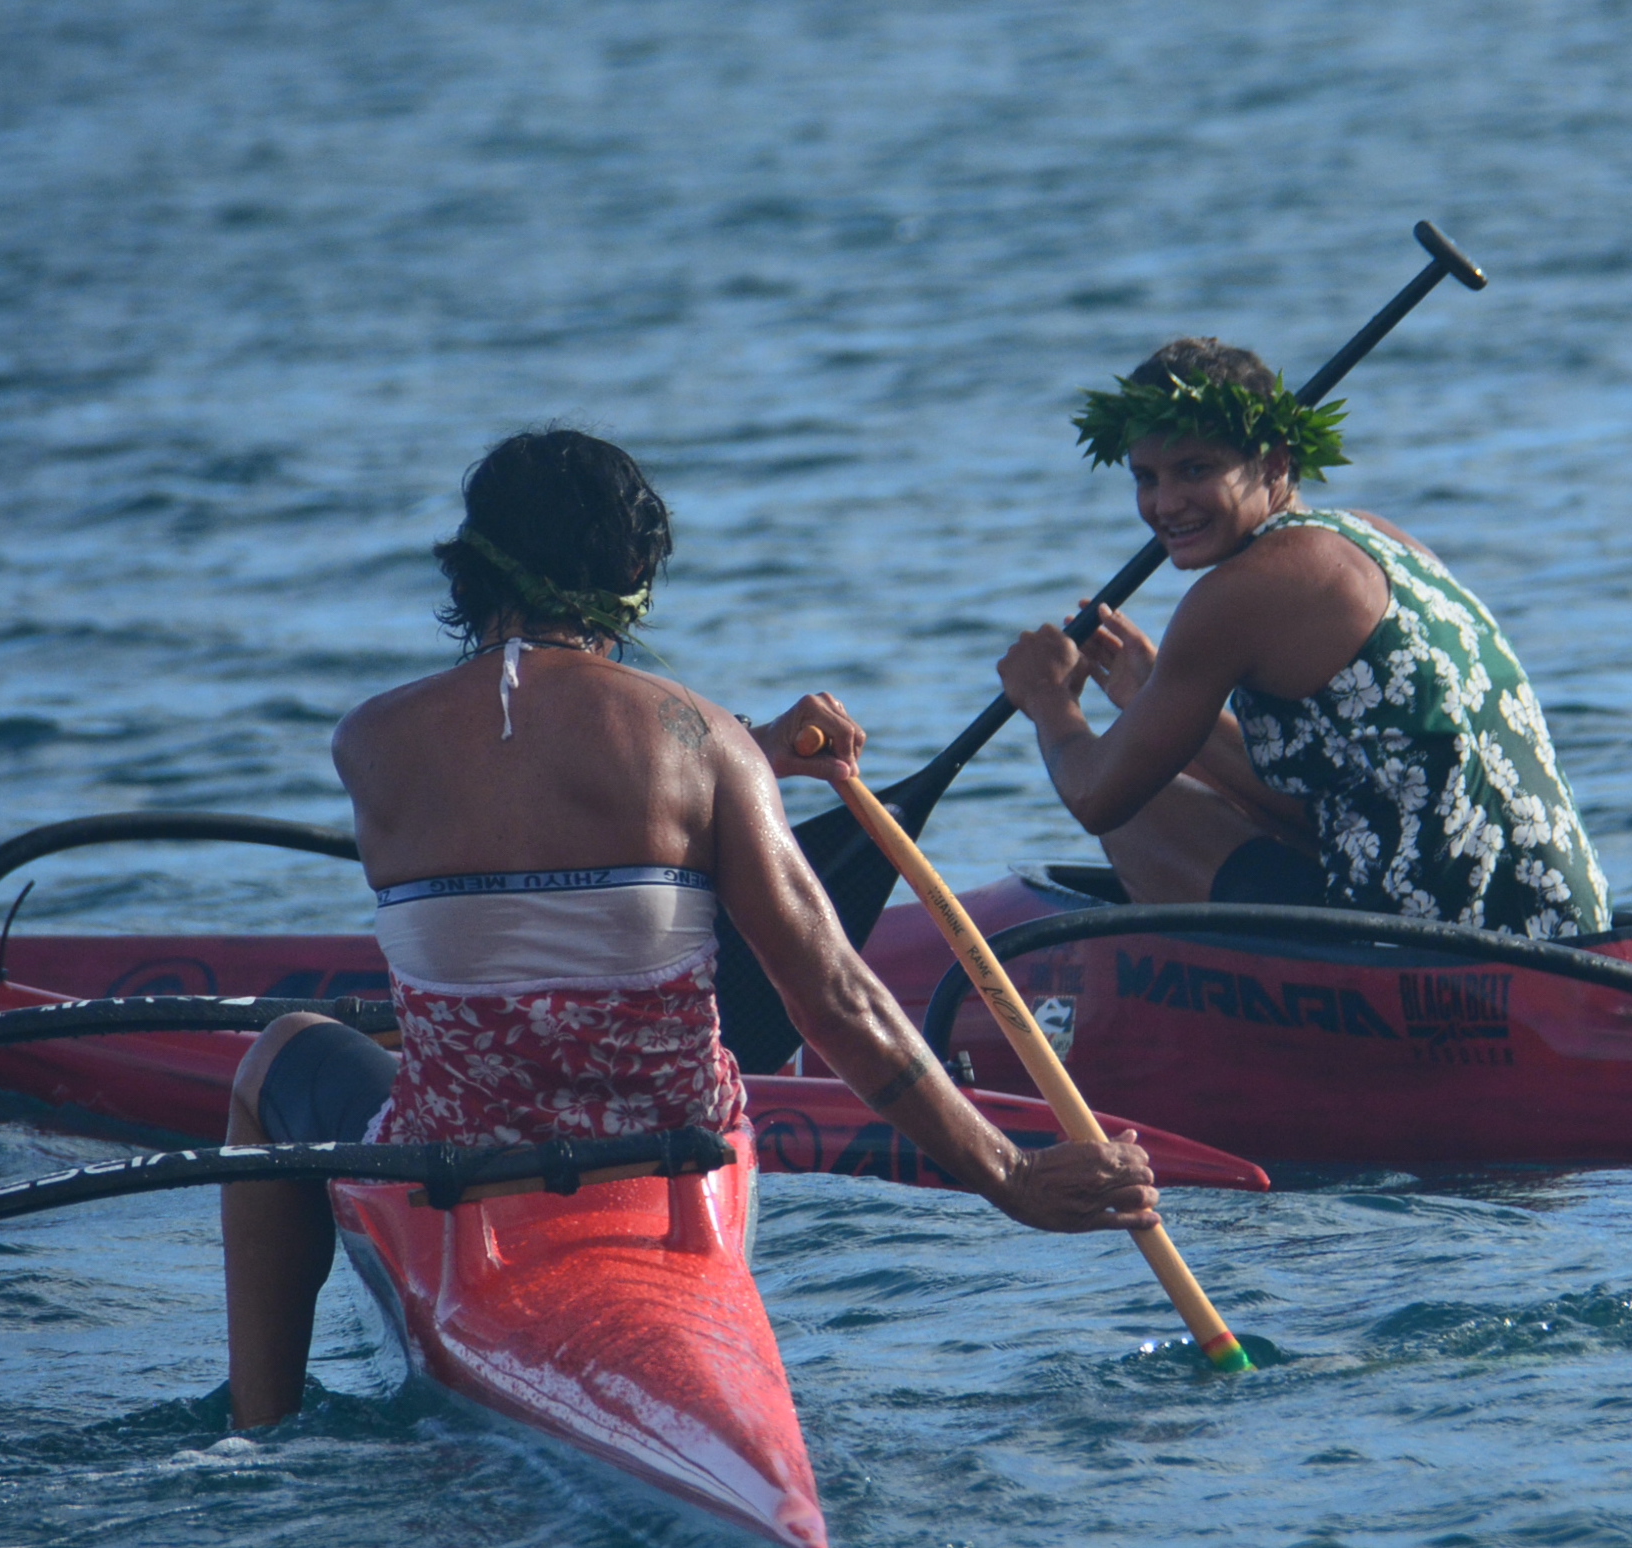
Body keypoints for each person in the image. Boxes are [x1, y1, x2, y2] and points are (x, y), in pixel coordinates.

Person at [222, 428, 1158, 1429]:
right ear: (633, 571)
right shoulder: (701, 740)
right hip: (668, 1160)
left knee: (281, 1056)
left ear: (470, 561)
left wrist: (754, 758)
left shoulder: (369, 742)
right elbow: (833, 996)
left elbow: (531, 810)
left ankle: (254, 1425)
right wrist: (1010, 1174)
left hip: (459, 1169)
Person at [995, 337, 1611, 937]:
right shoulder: (1374, 533)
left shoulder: (1236, 594)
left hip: (1433, 943)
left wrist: (1050, 702)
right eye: (1146, 478)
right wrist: (1157, 695)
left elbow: (1099, 795)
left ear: (1275, 463)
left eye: (1195, 469)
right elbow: (1348, 786)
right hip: (1562, 922)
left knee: (1140, 813)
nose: (1165, 503)